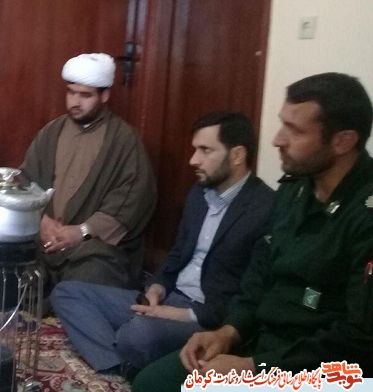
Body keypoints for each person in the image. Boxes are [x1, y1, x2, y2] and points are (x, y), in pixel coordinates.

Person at [133, 73, 373, 391]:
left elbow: (359, 339)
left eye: (295, 130)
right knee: (153, 382)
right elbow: (258, 277)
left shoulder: (364, 213)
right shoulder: (294, 190)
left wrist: (255, 369)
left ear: (343, 141)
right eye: (282, 124)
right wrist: (228, 331)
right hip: (262, 341)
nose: (277, 140)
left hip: (324, 369)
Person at [51, 111, 273, 377]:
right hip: (170, 298)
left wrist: (179, 315)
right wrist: (157, 288)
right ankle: (119, 366)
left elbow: (249, 294)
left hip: (206, 319)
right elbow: (178, 254)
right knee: (67, 293)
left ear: (237, 155)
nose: (193, 160)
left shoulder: (265, 208)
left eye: (205, 150)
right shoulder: (199, 194)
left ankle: (122, 353)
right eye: (195, 149)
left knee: (136, 334)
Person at [20, 53, 157, 290]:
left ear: (104, 96)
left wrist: (83, 231)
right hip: (44, 242)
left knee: (89, 278)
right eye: (71, 92)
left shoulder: (124, 140)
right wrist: (41, 221)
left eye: (85, 95)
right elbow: (26, 181)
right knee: (8, 270)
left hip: (92, 250)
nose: (75, 102)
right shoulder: (50, 132)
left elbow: (132, 200)